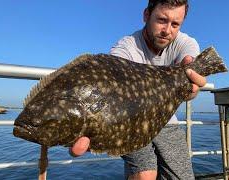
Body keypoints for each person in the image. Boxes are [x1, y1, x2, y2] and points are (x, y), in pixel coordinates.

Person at [70, 0, 206, 179]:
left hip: (166, 120)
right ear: (146, 15)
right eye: (161, 20)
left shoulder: (185, 43)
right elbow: (109, 81)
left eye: (175, 24)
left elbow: (190, 69)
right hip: (129, 120)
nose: (167, 30)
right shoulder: (126, 47)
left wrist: (192, 85)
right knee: (145, 175)